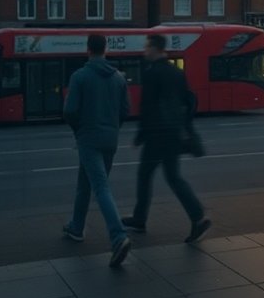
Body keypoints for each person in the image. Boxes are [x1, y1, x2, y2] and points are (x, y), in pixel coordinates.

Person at [122, 34, 212, 243]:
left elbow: (148, 106)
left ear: (155, 48)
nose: (145, 51)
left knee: (145, 175)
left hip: (157, 134)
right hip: (173, 133)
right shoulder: (176, 72)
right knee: (173, 177)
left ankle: (141, 219)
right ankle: (197, 217)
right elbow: (188, 101)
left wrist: (140, 136)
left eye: (147, 47)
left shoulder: (152, 73)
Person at [62, 34, 132, 268]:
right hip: (110, 140)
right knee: (86, 183)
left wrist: (79, 131)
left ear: (88, 49)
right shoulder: (119, 79)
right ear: (106, 49)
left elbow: (70, 111)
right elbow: (125, 111)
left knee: (100, 187)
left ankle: (118, 237)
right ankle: (76, 227)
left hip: (88, 139)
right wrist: (112, 128)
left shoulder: (79, 77)